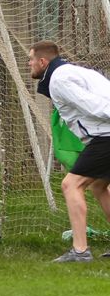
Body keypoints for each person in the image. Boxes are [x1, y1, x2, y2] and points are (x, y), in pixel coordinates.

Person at [27, 41, 110, 263]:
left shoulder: (59, 79)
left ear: (43, 62)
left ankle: (80, 250)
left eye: (31, 60)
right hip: (103, 135)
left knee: (71, 184)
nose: (29, 64)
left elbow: (93, 104)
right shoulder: (72, 71)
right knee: (99, 185)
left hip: (106, 136)